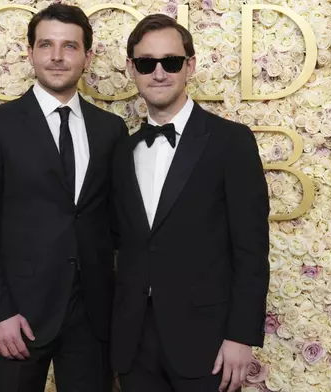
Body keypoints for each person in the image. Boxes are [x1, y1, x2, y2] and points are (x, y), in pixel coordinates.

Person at [0, 4, 127, 391]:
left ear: (88, 55)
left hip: (93, 318)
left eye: (69, 46)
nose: (56, 56)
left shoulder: (110, 130)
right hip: (18, 316)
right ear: (30, 52)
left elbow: (118, 224)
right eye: (46, 45)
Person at [109, 14, 270, 392]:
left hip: (208, 344)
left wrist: (241, 337)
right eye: (147, 63)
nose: (159, 73)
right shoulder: (122, 151)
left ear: (190, 66)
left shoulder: (231, 141)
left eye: (172, 61)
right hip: (133, 345)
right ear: (132, 69)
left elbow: (251, 249)